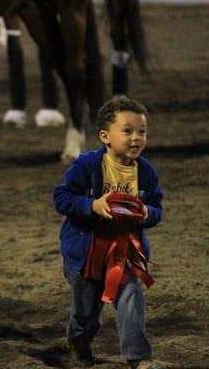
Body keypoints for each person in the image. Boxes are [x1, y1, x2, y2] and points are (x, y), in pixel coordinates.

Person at [52, 95, 164, 369]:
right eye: (127, 131)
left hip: (125, 253)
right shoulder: (87, 165)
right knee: (87, 314)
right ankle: (79, 340)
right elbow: (62, 198)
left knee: (131, 296)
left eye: (142, 132)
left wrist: (148, 213)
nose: (136, 138)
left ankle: (138, 358)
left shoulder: (146, 172)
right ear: (105, 136)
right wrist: (92, 205)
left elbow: (156, 206)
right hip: (84, 253)